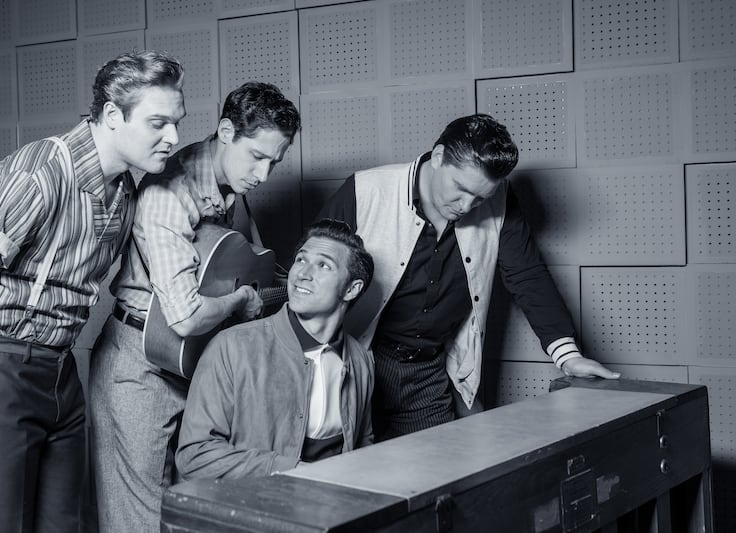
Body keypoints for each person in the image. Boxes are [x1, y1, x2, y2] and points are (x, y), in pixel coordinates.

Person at [0, 50, 185, 533]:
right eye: (158, 123)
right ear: (113, 115)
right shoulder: (39, 173)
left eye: (176, 123)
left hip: (60, 370)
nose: (172, 138)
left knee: (64, 526)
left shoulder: (127, 191)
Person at [317, 114, 621, 442]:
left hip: (426, 371)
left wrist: (568, 356)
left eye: (480, 198)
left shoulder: (501, 201)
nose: (466, 206)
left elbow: (527, 275)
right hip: (357, 361)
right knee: (353, 476)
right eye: (460, 190)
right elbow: (310, 272)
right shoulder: (365, 190)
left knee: (437, 478)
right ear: (437, 157)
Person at [89, 81, 300, 532]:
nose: (264, 176)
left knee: (201, 513)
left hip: (200, 365)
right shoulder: (168, 193)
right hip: (139, 365)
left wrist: (298, 284)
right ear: (226, 131)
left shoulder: (234, 186)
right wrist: (239, 300)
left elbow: (261, 266)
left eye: (274, 162)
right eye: (257, 157)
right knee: (140, 519)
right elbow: (184, 316)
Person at [175, 219, 375, 479]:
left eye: (323, 265)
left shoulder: (361, 361)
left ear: (351, 289)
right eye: (301, 260)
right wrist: (288, 469)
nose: (302, 273)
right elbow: (194, 457)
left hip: (335, 513)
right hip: (254, 511)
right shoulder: (231, 348)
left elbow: (365, 449)